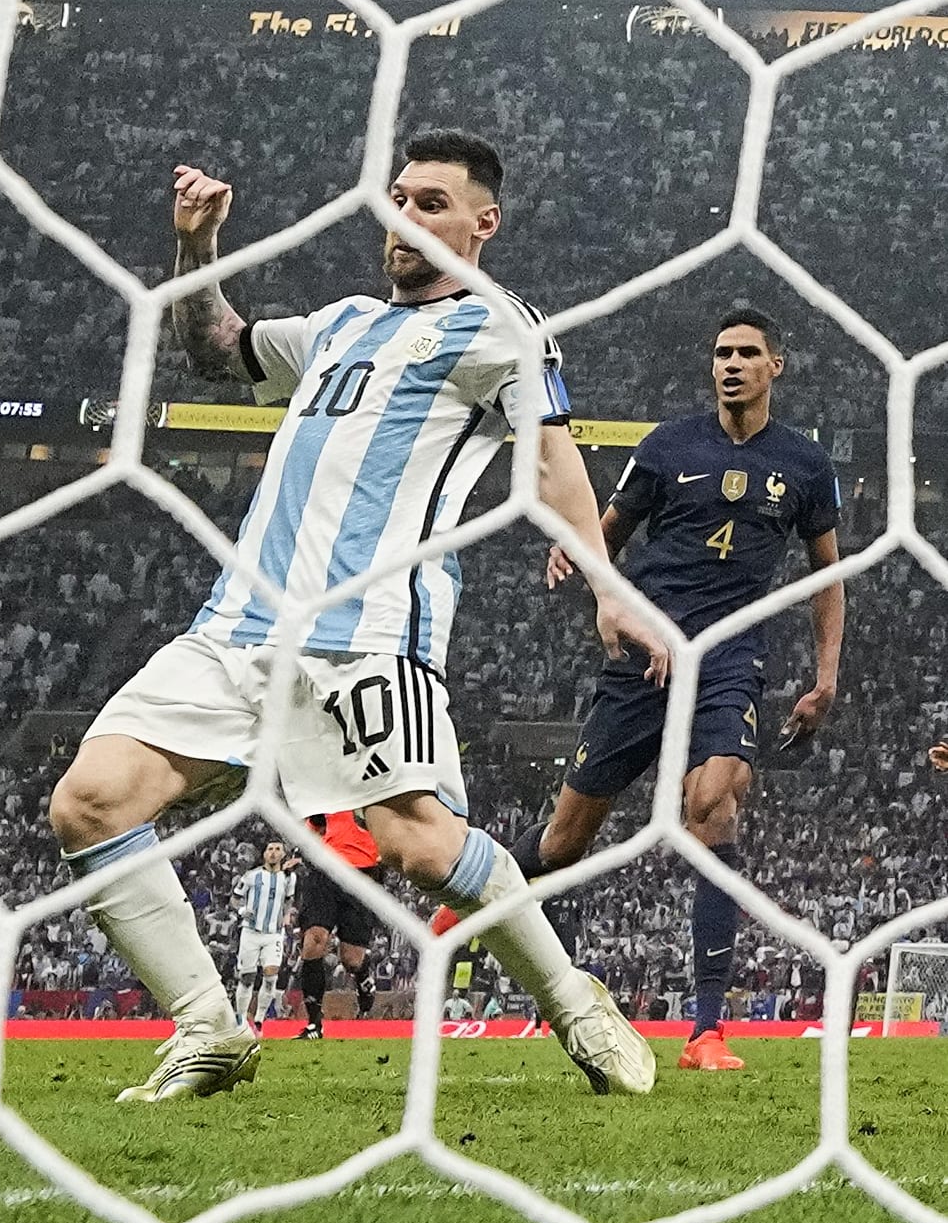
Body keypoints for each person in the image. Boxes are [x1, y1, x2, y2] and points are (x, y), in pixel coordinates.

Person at [45, 135, 663, 1102]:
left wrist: (605, 584)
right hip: (238, 626)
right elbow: (215, 347)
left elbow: (550, 460)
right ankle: (208, 1026)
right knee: (89, 800)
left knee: (419, 844)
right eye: (398, 200)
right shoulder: (338, 326)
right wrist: (195, 248)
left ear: (482, 223)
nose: (405, 220)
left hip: (370, 632)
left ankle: (576, 1003)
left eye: (430, 203)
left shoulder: (502, 327)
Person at [476, 310, 843, 1074]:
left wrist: (826, 674)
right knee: (562, 841)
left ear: (778, 364)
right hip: (647, 653)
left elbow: (826, 576)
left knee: (712, 801)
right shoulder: (667, 446)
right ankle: (476, 892)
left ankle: (706, 1032)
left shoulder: (805, 465)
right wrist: (575, 557)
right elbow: (603, 531)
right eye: (720, 353)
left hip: (731, 657)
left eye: (747, 353)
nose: (731, 364)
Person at [293, 811, 382, 1038]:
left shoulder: (378, 792)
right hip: (326, 872)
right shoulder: (329, 793)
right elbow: (313, 825)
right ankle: (314, 1023)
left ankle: (362, 972)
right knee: (314, 939)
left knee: (351, 960)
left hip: (363, 875)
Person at [231, 840, 294, 1026]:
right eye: (270, 849)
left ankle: (259, 1019)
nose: (273, 853)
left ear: (283, 854)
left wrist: (286, 915)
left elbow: (289, 900)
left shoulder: (289, 878)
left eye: (277, 849)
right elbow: (235, 899)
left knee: (271, 975)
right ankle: (241, 1019)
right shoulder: (252, 876)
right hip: (251, 932)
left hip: (274, 933)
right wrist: (242, 911)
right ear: (264, 854)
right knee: (247, 977)